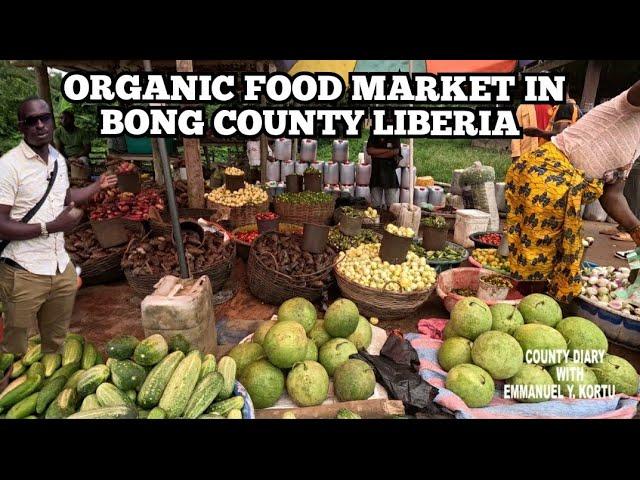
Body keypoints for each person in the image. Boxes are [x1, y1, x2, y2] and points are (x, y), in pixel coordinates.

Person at [0, 97, 117, 355]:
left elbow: (66, 197)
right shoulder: (9, 166)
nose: (40, 125)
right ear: (22, 126)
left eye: (45, 118)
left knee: (56, 344)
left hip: (59, 266)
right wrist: (52, 226)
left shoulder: (57, 159)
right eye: (32, 121)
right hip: (24, 269)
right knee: (15, 351)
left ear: (53, 122)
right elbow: (1, 225)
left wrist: (98, 186)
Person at [505, 81, 640, 303]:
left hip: (566, 188)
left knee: (561, 258)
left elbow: (612, 195)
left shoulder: (635, 146)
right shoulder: (627, 107)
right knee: (540, 259)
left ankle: (535, 306)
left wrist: (637, 232)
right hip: (545, 174)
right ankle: (529, 307)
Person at [367, 117, 403, 209]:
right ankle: (376, 222)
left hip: (390, 175)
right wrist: (387, 151)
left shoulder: (395, 133)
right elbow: (369, 150)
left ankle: (391, 221)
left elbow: (395, 151)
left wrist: (377, 154)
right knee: (375, 206)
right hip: (376, 174)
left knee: (392, 207)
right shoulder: (374, 133)